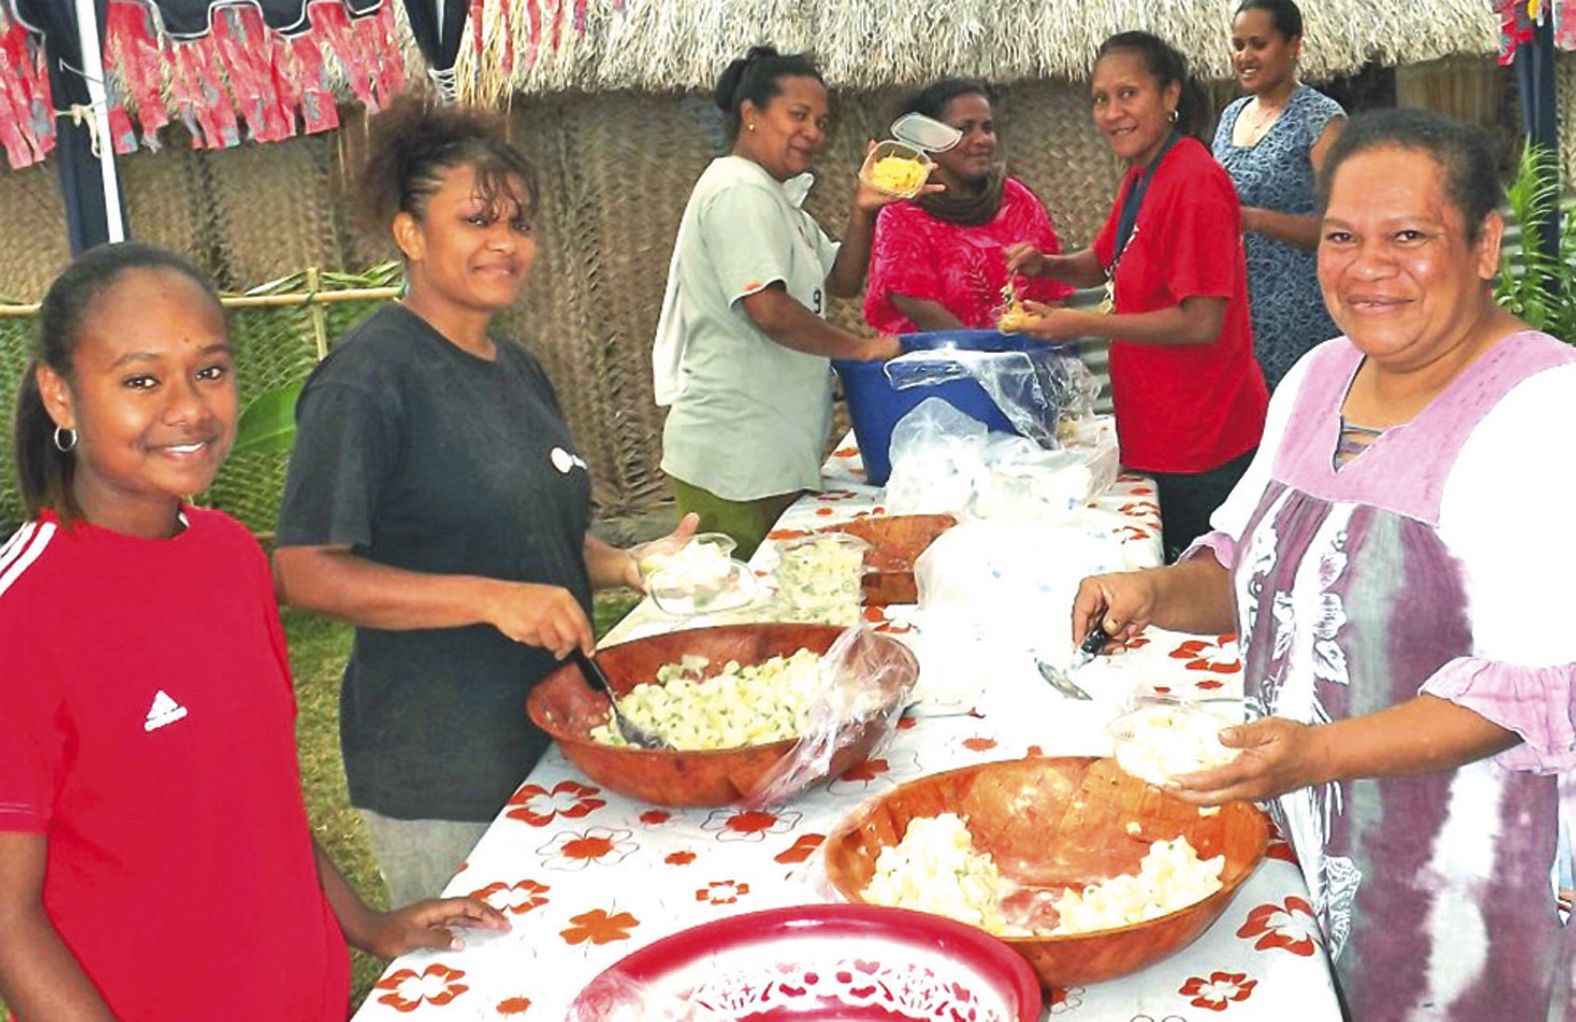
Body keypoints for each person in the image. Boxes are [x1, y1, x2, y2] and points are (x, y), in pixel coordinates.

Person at [1071, 109, 1576, 1019]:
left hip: (1458, 874)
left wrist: (1316, 756)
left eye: (1409, 236)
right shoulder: (1313, 379)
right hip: (1300, 840)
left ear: (1486, 243)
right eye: (1342, 235)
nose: (1367, 265)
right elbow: (1243, 567)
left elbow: (1535, 687)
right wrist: (1148, 588)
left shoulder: (1545, 413)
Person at [0, 242, 508, 1021]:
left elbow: (255, 797)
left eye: (210, 370)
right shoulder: (22, 615)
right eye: (141, 380)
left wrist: (365, 926)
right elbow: (10, 922)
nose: (190, 409)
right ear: (60, 397)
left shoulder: (231, 557)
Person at [272, 98, 694, 906]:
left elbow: (534, 538)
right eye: (476, 220)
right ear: (410, 234)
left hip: (557, 735)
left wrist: (631, 564)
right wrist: (490, 600)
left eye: (520, 222)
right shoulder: (369, 379)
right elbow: (307, 571)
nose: (506, 241)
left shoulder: (516, 367)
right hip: (441, 765)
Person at [1005, 31, 1268, 561]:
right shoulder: (1145, 175)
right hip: (1161, 427)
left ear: (1170, 95)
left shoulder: (1194, 179)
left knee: (1202, 593)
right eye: (1100, 99)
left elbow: (1201, 323)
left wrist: (1079, 324)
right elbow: (1104, 260)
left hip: (1205, 439)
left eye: (1128, 94)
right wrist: (1046, 263)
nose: (1111, 112)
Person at [655, 46, 919, 558]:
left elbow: (841, 279)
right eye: (797, 115)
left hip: (767, 453)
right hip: (734, 459)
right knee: (734, 611)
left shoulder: (778, 200)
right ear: (751, 115)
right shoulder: (738, 191)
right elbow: (769, 310)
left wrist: (864, 208)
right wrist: (859, 350)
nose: (813, 132)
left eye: (821, 120)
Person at [862, 78, 1073, 334]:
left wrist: (1037, 342)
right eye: (964, 129)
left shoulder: (1015, 199)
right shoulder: (902, 213)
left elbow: (1053, 285)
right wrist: (983, 355)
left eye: (987, 128)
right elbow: (914, 302)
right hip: (940, 366)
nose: (982, 139)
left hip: (1026, 358)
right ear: (929, 139)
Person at [1213, 0, 1345, 392]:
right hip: (1239, 314)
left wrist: (1252, 219)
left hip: (1302, 317)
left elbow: (1342, 227)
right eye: (1238, 45)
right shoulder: (1230, 116)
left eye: (1258, 44)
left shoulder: (1321, 120)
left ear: (1293, 45)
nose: (1245, 56)